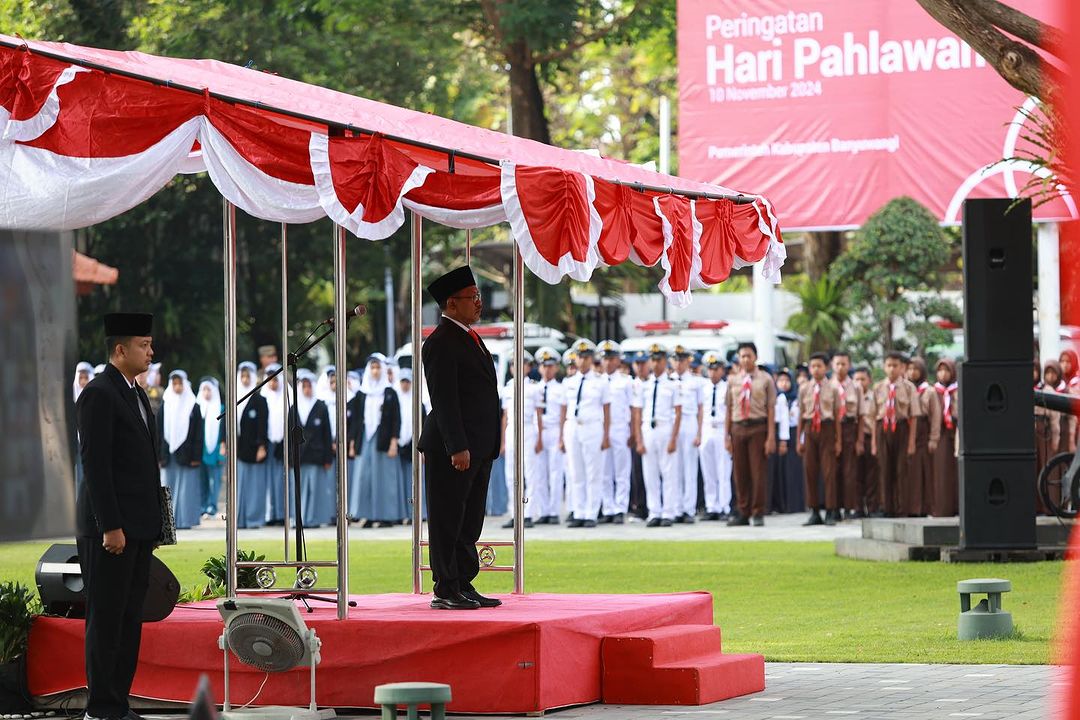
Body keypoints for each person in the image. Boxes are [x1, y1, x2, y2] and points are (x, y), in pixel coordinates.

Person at [75, 312, 160, 720]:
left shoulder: (137, 393)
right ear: (120, 349)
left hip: (138, 527)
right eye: (144, 345)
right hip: (109, 529)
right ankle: (101, 707)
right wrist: (110, 525)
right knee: (106, 618)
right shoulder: (99, 392)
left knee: (129, 619)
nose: (151, 352)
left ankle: (117, 703)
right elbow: (96, 465)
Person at [418, 266, 501, 610]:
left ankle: (464, 581)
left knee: (470, 519)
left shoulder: (470, 336)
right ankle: (445, 586)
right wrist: (458, 446)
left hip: (479, 445)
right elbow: (445, 400)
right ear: (452, 304)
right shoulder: (440, 342)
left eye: (479, 296)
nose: (479, 303)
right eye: (473, 298)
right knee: (448, 517)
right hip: (455, 448)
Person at [561, 339, 612, 528]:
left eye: (586, 357)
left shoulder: (601, 381)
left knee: (593, 472)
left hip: (592, 426)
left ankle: (591, 513)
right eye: (580, 357)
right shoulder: (568, 381)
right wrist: (561, 435)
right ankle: (579, 511)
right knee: (576, 472)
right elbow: (563, 409)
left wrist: (606, 435)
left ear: (591, 359)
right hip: (573, 425)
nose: (582, 361)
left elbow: (607, 409)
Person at [726, 342, 777, 526]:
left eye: (748, 355)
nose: (745, 359)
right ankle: (743, 511)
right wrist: (727, 435)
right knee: (740, 473)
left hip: (758, 427)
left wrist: (771, 436)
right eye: (742, 356)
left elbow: (771, 408)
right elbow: (729, 408)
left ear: (755, 357)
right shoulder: (733, 380)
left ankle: (757, 511)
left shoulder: (765, 379)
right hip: (738, 427)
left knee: (758, 472)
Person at [633, 343, 683, 527]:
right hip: (648, 429)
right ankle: (654, 511)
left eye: (659, 359)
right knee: (650, 472)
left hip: (665, 428)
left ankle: (668, 512)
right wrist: (639, 439)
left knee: (669, 472)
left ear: (665, 361)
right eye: (652, 360)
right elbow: (637, 414)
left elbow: (678, 413)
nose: (655, 363)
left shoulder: (673, 385)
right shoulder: (643, 386)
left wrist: (673, 438)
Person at [353, 354, 406, 527]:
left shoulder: (390, 392)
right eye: (372, 368)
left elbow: (396, 419)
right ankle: (367, 515)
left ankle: (385, 516)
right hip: (366, 440)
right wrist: (353, 443)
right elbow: (356, 420)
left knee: (384, 479)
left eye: (378, 368)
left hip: (383, 441)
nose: (375, 371)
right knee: (365, 478)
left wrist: (394, 442)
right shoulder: (362, 394)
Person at [796, 353, 843, 526]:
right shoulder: (804, 389)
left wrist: (838, 440)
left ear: (826, 368)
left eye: (819, 366)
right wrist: (799, 439)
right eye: (813, 366)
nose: (816, 370)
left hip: (827, 428)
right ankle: (814, 510)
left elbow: (838, 415)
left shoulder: (833, 388)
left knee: (829, 472)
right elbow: (801, 415)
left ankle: (831, 510)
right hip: (810, 429)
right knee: (810, 471)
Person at [870, 351, 918, 517]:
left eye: (895, 366)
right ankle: (887, 507)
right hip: (882, 429)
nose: (892, 369)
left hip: (902, 428)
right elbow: (873, 415)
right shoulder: (877, 388)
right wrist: (874, 443)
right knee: (884, 470)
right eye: (889, 365)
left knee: (901, 470)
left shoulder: (909, 387)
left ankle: (902, 507)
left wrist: (911, 442)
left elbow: (913, 416)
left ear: (902, 367)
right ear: (884, 367)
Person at [500, 351, 541, 529]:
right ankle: (514, 512)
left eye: (522, 363)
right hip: (511, 431)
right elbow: (505, 416)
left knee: (529, 472)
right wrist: (502, 441)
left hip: (528, 429)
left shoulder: (533, 387)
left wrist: (539, 437)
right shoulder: (507, 387)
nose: (517, 367)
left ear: (528, 366)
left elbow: (539, 415)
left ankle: (529, 513)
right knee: (511, 474)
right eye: (514, 364)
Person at [160, 370, 203, 530]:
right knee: (167, 488)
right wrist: (159, 455)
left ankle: (185, 521)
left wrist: (196, 456)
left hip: (188, 455)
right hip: (168, 456)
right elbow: (159, 431)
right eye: (174, 384)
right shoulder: (166, 404)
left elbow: (199, 433)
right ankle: (168, 522)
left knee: (186, 490)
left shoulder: (194, 406)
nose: (177, 387)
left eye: (180, 383)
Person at [293, 369, 333, 528]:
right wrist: (290, 458)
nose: (307, 389)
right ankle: (300, 519)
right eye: (304, 386)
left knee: (316, 490)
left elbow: (327, 434)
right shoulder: (294, 408)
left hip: (316, 456)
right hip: (299, 457)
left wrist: (328, 458)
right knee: (300, 491)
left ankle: (314, 519)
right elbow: (289, 434)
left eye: (309, 386)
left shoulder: (321, 407)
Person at [599, 340, 633, 523]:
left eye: (612, 358)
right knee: (605, 471)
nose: (608, 362)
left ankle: (620, 508)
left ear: (618, 360)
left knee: (621, 471)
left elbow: (633, 408)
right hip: (603, 429)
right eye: (605, 358)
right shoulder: (597, 381)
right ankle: (608, 508)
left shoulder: (626, 382)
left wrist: (632, 432)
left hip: (620, 428)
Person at [533, 346, 566, 525]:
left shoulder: (560, 389)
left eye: (551, 366)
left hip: (554, 431)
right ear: (540, 368)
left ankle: (554, 511)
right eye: (544, 366)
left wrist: (561, 437)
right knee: (539, 473)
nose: (547, 369)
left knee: (555, 472)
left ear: (556, 368)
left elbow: (562, 415)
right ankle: (543, 510)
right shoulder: (533, 388)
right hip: (539, 432)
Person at [671, 345, 704, 523]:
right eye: (676, 359)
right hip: (673, 423)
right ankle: (676, 508)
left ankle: (688, 509)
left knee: (690, 467)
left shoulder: (696, 381)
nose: (678, 363)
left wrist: (699, 432)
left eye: (682, 360)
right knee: (675, 467)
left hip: (689, 421)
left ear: (687, 361)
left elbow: (700, 409)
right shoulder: (668, 380)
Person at [905, 357, 941, 517]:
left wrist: (934, 438)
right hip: (906, 430)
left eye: (916, 369)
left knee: (924, 471)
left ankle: (924, 508)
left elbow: (936, 415)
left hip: (923, 431)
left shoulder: (929, 391)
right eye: (910, 369)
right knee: (909, 471)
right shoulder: (904, 388)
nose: (912, 372)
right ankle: (909, 507)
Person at [235, 362, 269, 529]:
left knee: (255, 487)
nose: (245, 379)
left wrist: (262, 446)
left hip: (255, 451)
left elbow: (263, 425)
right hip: (240, 450)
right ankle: (240, 519)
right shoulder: (235, 397)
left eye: (248, 376)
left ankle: (254, 519)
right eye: (243, 376)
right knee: (240, 486)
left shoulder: (260, 400)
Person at [699, 351, 732, 521]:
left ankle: (724, 506)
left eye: (716, 369)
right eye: (710, 369)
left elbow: (729, 413)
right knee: (708, 471)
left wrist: (728, 436)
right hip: (706, 428)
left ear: (722, 370)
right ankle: (711, 506)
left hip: (721, 428)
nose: (713, 373)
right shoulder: (703, 387)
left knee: (723, 470)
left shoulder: (727, 388)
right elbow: (699, 411)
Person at [831, 351, 864, 519]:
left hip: (850, 428)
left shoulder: (856, 387)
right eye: (837, 364)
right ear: (832, 365)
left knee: (849, 471)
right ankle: (834, 507)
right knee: (833, 470)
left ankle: (849, 507)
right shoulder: (828, 386)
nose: (840, 367)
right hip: (831, 430)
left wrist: (859, 440)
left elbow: (861, 416)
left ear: (849, 365)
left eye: (844, 364)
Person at [261, 364, 289, 526]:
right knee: (267, 481)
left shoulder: (287, 396)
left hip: (282, 445)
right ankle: (269, 514)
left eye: (275, 379)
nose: (273, 383)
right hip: (266, 445)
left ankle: (281, 514)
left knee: (281, 481)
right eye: (270, 380)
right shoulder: (262, 398)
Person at [932, 358, 959, 517]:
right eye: (940, 370)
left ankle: (957, 506)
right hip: (940, 433)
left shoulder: (958, 390)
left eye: (947, 370)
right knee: (942, 471)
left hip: (955, 431)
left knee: (956, 470)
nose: (943, 374)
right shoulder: (933, 391)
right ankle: (943, 507)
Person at [768, 368, 796, 514]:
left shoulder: (780, 397)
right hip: (764, 432)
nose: (783, 384)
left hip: (778, 434)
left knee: (778, 471)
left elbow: (784, 420)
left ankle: (780, 504)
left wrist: (783, 441)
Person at [196, 377, 225, 517]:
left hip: (216, 449)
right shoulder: (197, 408)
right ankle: (202, 505)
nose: (206, 393)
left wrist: (223, 446)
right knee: (202, 479)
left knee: (215, 479)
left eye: (209, 390)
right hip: (200, 450)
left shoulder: (221, 408)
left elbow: (224, 431)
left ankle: (212, 506)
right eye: (204, 390)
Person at [854, 366, 878, 515]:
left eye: (862, 379)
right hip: (854, 438)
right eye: (856, 379)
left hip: (870, 437)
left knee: (872, 474)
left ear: (869, 380)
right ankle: (857, 508)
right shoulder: (849, 396)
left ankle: (872, 507)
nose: (859, 382)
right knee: (855, 474)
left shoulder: (874, 396)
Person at [73, 361, 96, 492]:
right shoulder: (73, 397)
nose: (83, 381)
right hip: (77, 442)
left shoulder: (95, 396)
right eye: (80, 378)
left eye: (85, 378)